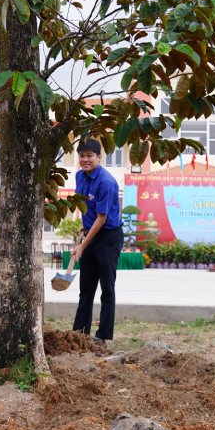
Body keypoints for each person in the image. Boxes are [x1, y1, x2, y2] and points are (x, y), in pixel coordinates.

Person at [71, 139, 124, 345]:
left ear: (99, 157)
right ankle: (79, 333)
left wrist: (82, 245)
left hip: (109, 236)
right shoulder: (79, 176)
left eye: (89, 156)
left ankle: (102, 336)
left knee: (107, 289)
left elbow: (101, 218)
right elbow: (85, 208)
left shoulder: (106, 182)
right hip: (91, 232)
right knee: (86, 288)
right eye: (81, 156)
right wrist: (81, 231)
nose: (85, 160)